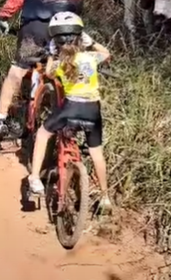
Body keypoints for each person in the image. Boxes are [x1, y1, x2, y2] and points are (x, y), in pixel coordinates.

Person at [0, 0, 153, 150]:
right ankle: (81, 128)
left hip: (36, 26)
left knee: (17, 71)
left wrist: (4, 15)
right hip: (69, 28)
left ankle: (0, 119)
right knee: (71, 69)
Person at [28, 12, 111, 209]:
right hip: (93, 110)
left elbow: (48, 73)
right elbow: (107, 54)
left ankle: (34, 179)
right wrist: (91, 42)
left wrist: (51, 53)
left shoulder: (60, 63)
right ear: (79, 36)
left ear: (56, 39)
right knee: (96, 152)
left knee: (42, 133)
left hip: (70, 108)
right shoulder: (91, 57)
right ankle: (105, 196)